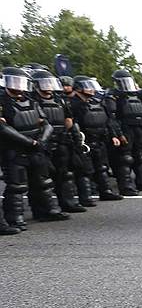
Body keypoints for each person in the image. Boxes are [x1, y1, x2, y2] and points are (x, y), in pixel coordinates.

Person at [1, 66, 70, 228]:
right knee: (17, 186)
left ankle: (46, 210)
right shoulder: (2, 102)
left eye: (21, 82)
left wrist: (42, 140)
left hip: (36, 147)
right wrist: (28, 142)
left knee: (43, 181)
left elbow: (46, 123)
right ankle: (14, 217)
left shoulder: (32, 101)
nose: (18, 86)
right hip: (14, 149)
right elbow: (3, 128)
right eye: (15, 81)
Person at [31, 69, 90, 212]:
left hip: (61, 140)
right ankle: (44, 209)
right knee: (43, 178)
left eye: (49, 83)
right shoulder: (33, 100)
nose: (48, 86)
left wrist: (70, 135)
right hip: (42, 142)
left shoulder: (59, 99)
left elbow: (68, 119)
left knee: (65, 174)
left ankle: (68, 203)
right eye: (45, 83)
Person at [70, 76, 123, 201]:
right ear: (78, 87)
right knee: (84, 170)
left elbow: (108, 120)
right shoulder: (72, 104)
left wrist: (113, 135)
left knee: (101, 167)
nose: (91, 89)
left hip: (99, 139)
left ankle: (106, 191)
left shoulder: (96, 102)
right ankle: (86, 197)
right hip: (84, 141)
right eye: (87, 86)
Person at [104, 70, 142, 194]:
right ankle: (126, 186)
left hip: (139, 128)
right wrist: (118, 134)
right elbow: (112, 118)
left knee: (141, 157)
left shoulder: (136, 95)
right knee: (125, 158)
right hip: (125, 128)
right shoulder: (112, 96)